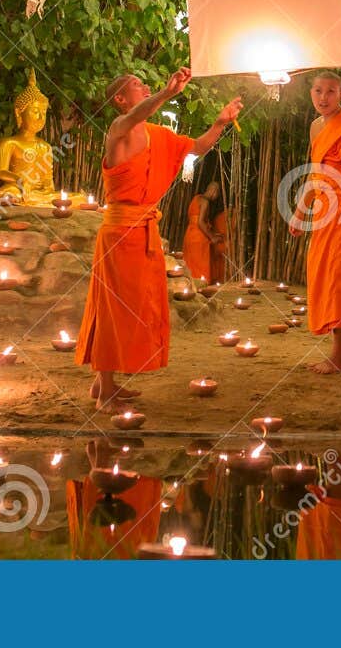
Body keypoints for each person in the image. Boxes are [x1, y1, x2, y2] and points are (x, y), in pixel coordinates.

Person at [76, 70, 242, 409]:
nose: (146, 87)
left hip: (145, 231)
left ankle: (102, 383)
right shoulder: (118, 129)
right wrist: (166, 94)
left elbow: (196, 147)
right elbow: (140, 113)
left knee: (137, 306)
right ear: (120, 100)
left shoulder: (157, 134)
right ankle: (105, 389)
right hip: (120, 233)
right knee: (114, 308)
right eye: (138, 85)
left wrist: (221, 122)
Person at [288, 71, 341, 374]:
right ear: (311, 93)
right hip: (327, 206)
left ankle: (338, 353)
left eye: (330, 91)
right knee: (325, 270)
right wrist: (301, 210)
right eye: (317, 91)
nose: (323, 97)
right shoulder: (316, 127)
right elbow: (315, 171)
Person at [181, 182, 227, 285]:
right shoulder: (205, 202)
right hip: (199, 237)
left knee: (190, 265)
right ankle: (200, 289)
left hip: (189, 235)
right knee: (200, 267)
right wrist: (212, 237)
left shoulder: (196, 198)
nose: (216, 197)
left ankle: (189, 288)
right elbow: (201, 222)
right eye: (217, 194)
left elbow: (194, 218)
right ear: (213, 190)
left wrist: (214, 233)